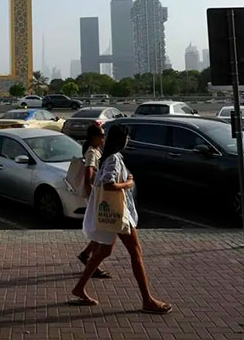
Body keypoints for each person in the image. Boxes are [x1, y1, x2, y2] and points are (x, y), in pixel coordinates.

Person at [71, 124, 172, 314]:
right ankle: (147, 300)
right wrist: (129, 183)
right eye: (127, 138)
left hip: (113, 212)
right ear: (122, 140)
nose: (129, 141)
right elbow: (109, 184)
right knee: (136, 253)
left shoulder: (109, 157)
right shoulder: (114, 158)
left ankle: (79, 288)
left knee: (103, 251)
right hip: (119, 213)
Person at [76, 124, 112, 279]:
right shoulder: (92, 152)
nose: (103, 139)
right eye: (101, 136)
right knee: (100, 232)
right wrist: (92, 196)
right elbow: (88, 174)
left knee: (99, 231)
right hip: (95, 197)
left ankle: (86, 255)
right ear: (93, 138)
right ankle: (91, 264)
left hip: (97, 196)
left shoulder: (97, 151)